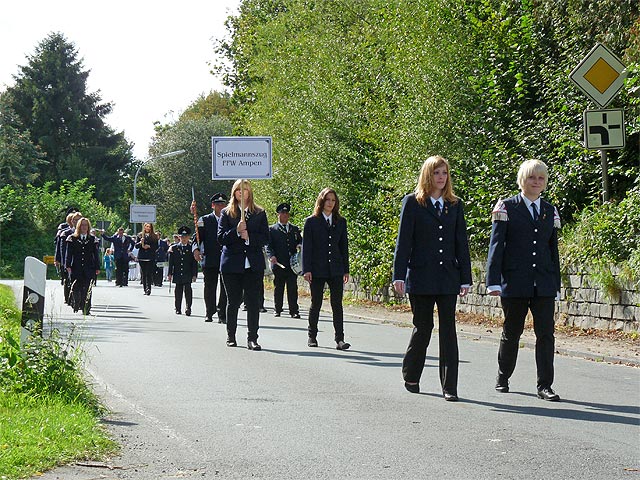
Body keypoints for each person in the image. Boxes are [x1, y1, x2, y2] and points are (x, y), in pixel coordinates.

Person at [392, 155, 472, 402]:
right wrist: (399, 275)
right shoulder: (413, 203)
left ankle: (450, 386)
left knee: (448, 330)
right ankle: (411, 373)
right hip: (421, 276)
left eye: (444, 173)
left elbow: (461, 243)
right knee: (423, 327)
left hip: (448, 276)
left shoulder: (455, 205)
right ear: (428, 175)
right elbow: (403, 242)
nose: (441, 177)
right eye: (437, 173)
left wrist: (465, 278)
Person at [486, 159, 562, 402]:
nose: (536, 182)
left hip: (543, 283)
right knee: (512, 331)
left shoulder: (550, 210)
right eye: (532, 177)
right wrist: (493, 281)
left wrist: (556, 284)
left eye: (540, 178)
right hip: (515, 282)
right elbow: (496, 247)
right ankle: (503, 375)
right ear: (523, 180)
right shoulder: (507, 207)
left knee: (546, 334)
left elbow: (553, 251)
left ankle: (544, 385)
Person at [218, 179, 269, 350]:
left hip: (253, 265)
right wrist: (236, 232)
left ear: (250, 192)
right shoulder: (226, 213)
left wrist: (250, 237)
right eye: (239, 190)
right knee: (233, 302)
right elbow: (221, 238)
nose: (242, 192)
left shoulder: (259, 213)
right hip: (232, 265)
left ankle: (252, 338)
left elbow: (265, 237)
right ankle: (231, 336)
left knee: (253, 302)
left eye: (245, 190)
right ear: (234, 192)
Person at [302, 188, 351, 350]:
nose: (330, 203)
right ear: (321, 201)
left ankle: (340, 339)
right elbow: (307, 248)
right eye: (328, 200)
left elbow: (344, 247)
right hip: (317, 268)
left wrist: (346, 269)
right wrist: (306, 269)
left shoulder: (341, 221)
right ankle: (312, 336)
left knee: (337, 304)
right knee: (316, 302)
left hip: (335, 268)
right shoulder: (312, 221)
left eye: (333, 200)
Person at [192, 192, 228, 323]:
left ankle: (222, 312)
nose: (221, 206)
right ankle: (209, 311)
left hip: (226, 258)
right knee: (210, 287)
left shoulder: (230, 218)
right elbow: (196, 237)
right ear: (213, 206)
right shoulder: (204, 220)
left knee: (225, 287)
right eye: (218, 204)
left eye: (223, 204)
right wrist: (195, 249)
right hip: (210, 258)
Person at [266, 202, 302, 318]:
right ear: (278, 215)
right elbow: (268, 245)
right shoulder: (272, 229)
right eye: (282, 213)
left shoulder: (294, 229)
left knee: (292, 287)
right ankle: (278, 309)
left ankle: (294, 310)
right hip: (279, 263)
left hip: (292, 263)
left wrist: (300, 246)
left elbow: (300, 241)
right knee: (279, 287)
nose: (285, 215)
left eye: (286, 213)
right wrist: (271, 256)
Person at [65, 217, 100, 315]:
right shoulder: (72, 238)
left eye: (86, 225)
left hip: (89, 268)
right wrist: (67, 265)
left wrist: (97, 267)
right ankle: (77, 302)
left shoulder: (93, 239)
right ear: (79, 226)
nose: (84, 227)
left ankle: (86, 308)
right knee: (77, 287)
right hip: (76, 267)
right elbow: (69, 253)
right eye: (82, 225)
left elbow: (95, 254)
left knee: (87, 288)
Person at [168, 226, 198, 316]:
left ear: (188, 237)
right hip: (177, 273)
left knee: (188, 292)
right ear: (179, 237)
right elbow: (171, 263)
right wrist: (170, 274)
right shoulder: (174, 248)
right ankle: (178, 308)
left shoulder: (191, 248)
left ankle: (188, 307)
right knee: (178, 291)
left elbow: (194, 263)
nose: (184, 239)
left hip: (187, 273)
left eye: (185, 237)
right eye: (182, 237)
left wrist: (194, 274)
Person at [135, 223, 159, 295]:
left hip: (150, 257)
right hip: (142, 257)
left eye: (149, 227)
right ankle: (145, 288)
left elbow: (156, 247)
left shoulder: (154, 236)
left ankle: (149, 288)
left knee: (149, 273)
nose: (147, 228)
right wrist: (140, 243)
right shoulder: (140, 235)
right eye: (146, 226)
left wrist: (149, 246)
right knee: (144, 273)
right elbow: (136, 246)